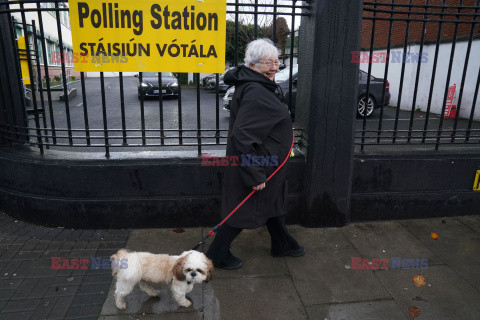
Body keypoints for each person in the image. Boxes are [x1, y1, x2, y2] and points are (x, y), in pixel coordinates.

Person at [206, 39, 305, 270]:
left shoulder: (257, 85)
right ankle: (217, 254)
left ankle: (282, 244)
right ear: (252, 65)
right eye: (267, 62)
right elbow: (242, 137)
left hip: (269, 162)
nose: (274, 67)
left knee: (272, 203)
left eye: (277, 61)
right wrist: (254, 174)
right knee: (244, 208)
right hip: (260, 164)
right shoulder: (257, 92)